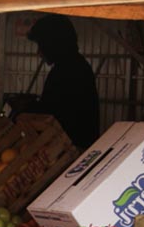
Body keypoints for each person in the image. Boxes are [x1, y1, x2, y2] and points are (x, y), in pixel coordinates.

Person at [20, 14, 99, 151]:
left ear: (52, 43)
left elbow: (53, 113)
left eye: (41, 45)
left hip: (71, 151)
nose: (39, 52)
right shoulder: (75, 65)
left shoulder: (68, 71)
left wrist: (27, 108)